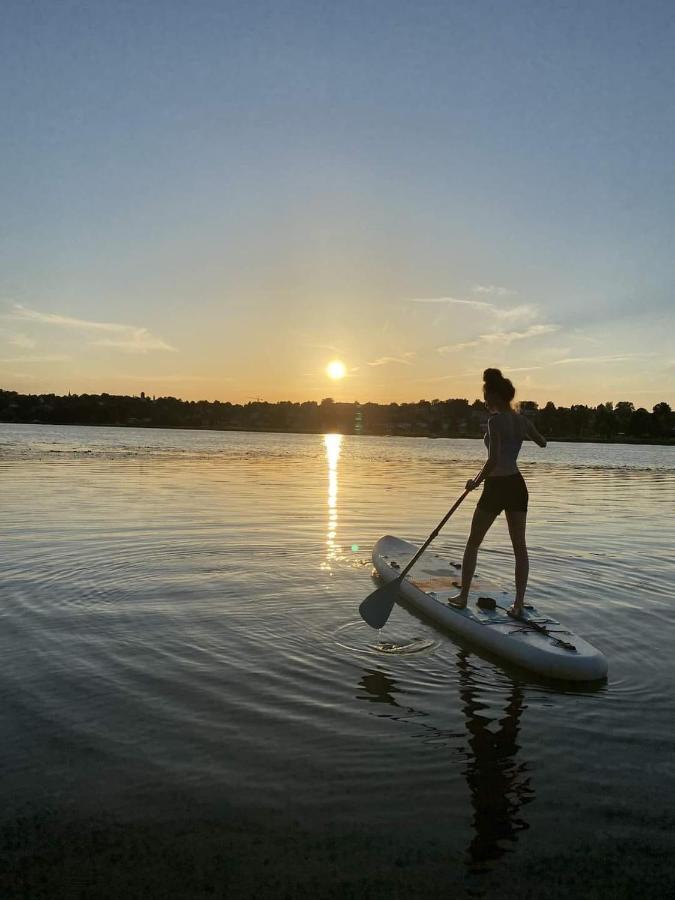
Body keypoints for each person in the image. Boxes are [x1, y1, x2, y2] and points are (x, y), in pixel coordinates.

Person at [448, 368, 547, 617]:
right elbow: (542, 442)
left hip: (496, 487)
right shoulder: (522, 420)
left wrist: (475, 481)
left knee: (473, 543)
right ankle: (518, 604)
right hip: (517, 485)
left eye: (485, 396)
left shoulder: (494, 421)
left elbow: (492, 460)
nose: (484, 401)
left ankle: (462, 597)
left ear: (494, 396)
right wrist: (525, 428)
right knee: (519, 547)